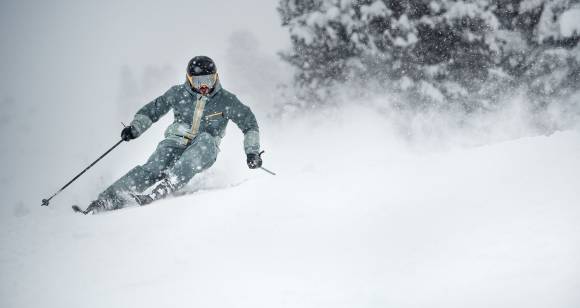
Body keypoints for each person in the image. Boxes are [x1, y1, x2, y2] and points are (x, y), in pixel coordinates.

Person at [79, 56, 262, 214]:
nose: (204, 86)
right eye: (198, 81)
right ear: (189, 79)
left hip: (205, 147)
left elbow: (249, 123)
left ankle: (167, 185)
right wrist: (135, 128)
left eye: (209, 80)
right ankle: (108, 199)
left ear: (216, 77)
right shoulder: (177, 93)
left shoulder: (226, 100)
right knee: (154, 167)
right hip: (176, 141)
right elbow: (153, 110)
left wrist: (252, 151)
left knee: (203, 141)